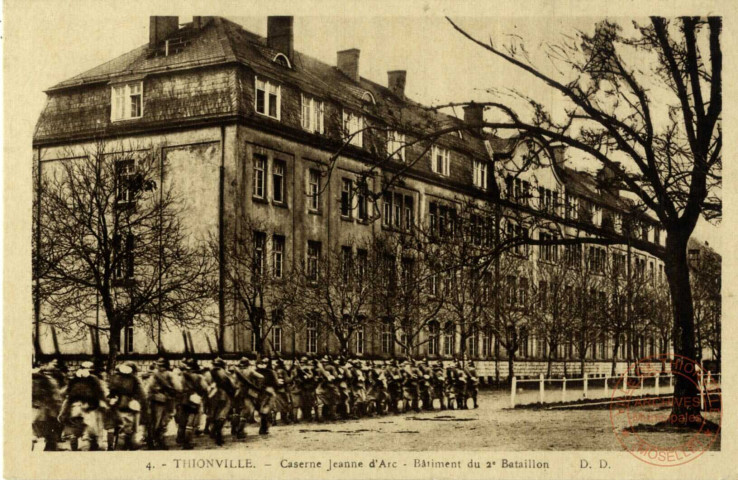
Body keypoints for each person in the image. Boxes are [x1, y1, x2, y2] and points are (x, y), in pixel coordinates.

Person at [58, 361, 107, 451]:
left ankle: (75, 448)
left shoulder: (74, 379)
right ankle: (92, 445)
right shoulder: (94, 379)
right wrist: (104, 402)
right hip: (89, 407)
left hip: (74, 407)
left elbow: (64, 392)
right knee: (91, 430)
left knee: (75, 431)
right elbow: (100, 392)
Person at [106, 361, 145, 450]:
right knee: (129, 431)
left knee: (115, 429)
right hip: (129, 408)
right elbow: (142, 395)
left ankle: (112, 447)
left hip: (115, 406)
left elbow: (111, 392)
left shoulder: (115, 378)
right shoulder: (134, 380)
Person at [144, 358, 177, 450]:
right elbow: (178, 387)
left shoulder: (154, 375)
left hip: (154, 400)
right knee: (163, 422)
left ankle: (152, 441)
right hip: (166, 401)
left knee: (154, 422)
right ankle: (159, 441)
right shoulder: (170, 374)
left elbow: (148, 389)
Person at [176, 358, 208, 449]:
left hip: (183, 400)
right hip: (194, 400)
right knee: (191, 422)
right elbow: (205, 388)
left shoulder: (182, 376)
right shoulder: (199, 377)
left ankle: (179, 438)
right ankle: (187, 443)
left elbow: (178, 388)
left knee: (182, 420)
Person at [230, 357, 264, 439]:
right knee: (246, 411)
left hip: (236, 393)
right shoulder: (250, 371)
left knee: (236, 411)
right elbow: (261, 377)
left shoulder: (235, 372)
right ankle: (240, 431)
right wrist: (256, 386)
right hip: (246, 392)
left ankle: (233, 429)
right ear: (247, 364)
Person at [206, 357, 237, 446]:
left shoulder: (208, 373)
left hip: (212, 394)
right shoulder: (224, 373)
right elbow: (232, 385)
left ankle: (212, 431)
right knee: (222, 415)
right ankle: (218, 436)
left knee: (213, 414)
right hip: (223, 395)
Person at [32, 364, 63, 451]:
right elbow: (56, 398)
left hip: (34, 410)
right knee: (50, 435)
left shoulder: (33, 380)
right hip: (46, 412)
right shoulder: (51, 382)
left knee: (35, 434)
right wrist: (58, 410)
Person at [255, 357, 278, 434]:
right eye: (261, 363)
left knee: (262, 411)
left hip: (257, 393)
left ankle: (264, 427)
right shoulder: (271, 372)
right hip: (267, 392)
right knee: (266, 410)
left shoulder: (255, 371)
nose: (262, 365)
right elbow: (276, 383)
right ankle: (264, 428)